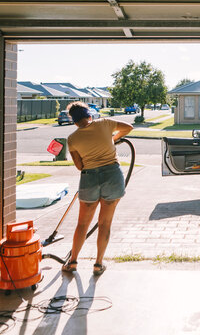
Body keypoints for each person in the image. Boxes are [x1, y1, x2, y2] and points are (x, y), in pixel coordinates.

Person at [62, 101, 133, 276]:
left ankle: (72, 262)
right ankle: (98, 264)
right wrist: (113, 139)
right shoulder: (105, 123)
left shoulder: (72, 139)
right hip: (112, 176)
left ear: (74, 121)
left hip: (89, 178)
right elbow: (128, 128)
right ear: (89, 114)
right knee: (104, 223)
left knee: (82, 224)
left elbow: (79, 166)